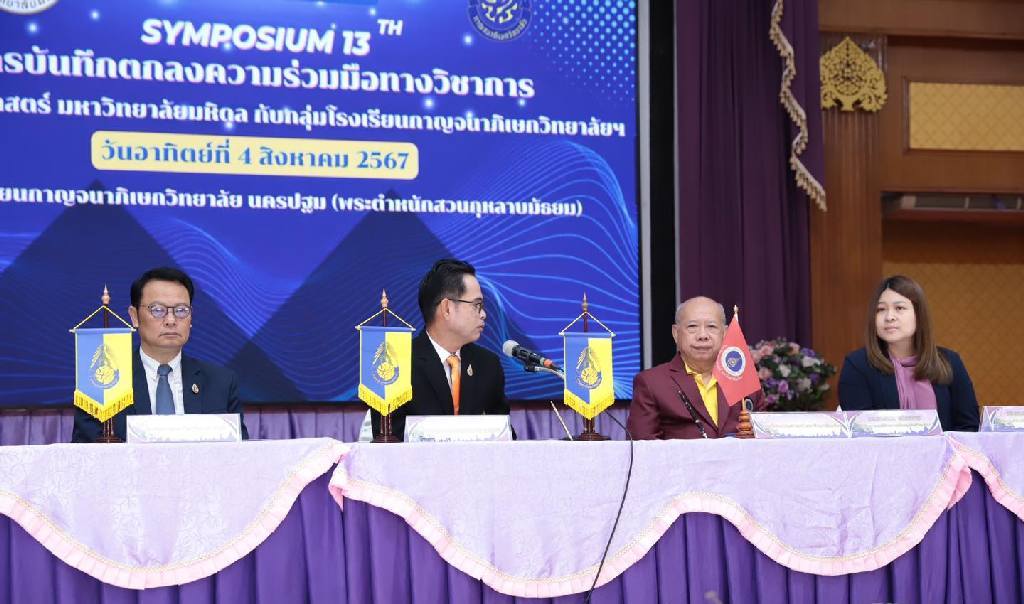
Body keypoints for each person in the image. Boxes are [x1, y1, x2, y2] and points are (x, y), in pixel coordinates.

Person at [72, 267, 249, 442]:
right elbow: (86, 458)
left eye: (181, 310)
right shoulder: (104, 382)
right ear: (134, 316)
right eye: (157, 310)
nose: (171, 321)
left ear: (191, 317)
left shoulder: (221, 382)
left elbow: (240, 456)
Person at [372, 259, 510, 440]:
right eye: (477, 305)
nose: (483, 314)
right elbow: (389, 441)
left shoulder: (488, 365)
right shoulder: (396, 363)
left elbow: (505, 437)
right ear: (447, 308)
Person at [838, 275, 979, 431]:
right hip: (883, 455)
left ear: (918, 315)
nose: (889, 317)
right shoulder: (858, 365)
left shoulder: (949, 361)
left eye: (899, 308)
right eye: (880, 309)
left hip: (943, 454)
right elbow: (860, 432)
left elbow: (968, 427)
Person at [627, 296, 765, 439]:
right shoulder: (652, 383)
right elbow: (641, 448)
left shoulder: (744, 379)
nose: (703, 335)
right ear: (675, 333)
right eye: (692, 327)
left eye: (711, 326)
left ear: (724, 333)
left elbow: (766, 442)